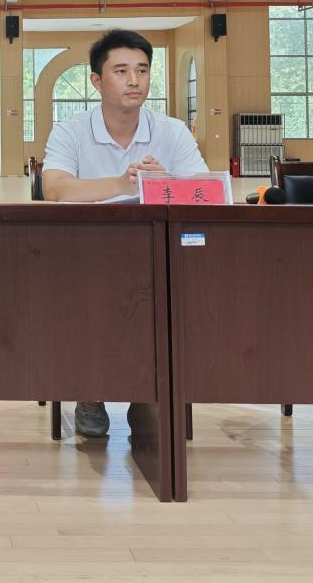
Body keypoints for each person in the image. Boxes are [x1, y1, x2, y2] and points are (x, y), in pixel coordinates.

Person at [42, 29, 206, 437]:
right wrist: (122, 183)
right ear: (97, 81)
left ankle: (149, 394)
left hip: (155, 253)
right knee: (90, 294)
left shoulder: (172, 131)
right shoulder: (70, 131)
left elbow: (203, 193)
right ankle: (91, 389)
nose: (134, 80)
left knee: (172, 290)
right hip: (86, 254)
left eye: (142, 70)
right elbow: (56, 189)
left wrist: (164, 184)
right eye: (121, 71)